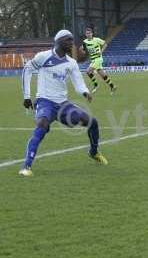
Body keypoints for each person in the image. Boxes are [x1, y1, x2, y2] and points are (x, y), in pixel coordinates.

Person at [19, 30, 108, 177]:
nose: (72, 43)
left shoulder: (71, 62)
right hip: (45, 101)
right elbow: (27, 69)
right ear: (59, 41)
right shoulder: (43, 57)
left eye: (72, 40)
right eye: (68, 40)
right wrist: (27, 96)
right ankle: (26, 166)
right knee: (42, 125)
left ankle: (94, 152)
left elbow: (78, 82)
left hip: (63, 105)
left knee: (92, 122)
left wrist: (85, 92)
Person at [81, 27, 117, 94]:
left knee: (88, 71)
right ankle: (112, 86)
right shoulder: (85, 42)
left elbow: (105, 44)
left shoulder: (97, 39)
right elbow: (83, 49)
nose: (88, 34)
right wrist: (83, 52)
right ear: (85, 35)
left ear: (92, 33)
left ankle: (96, 85)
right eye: (87, 33)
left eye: (89, 33)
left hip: (98, 59)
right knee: (102, 75)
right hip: (93, 60)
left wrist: (101, 51)